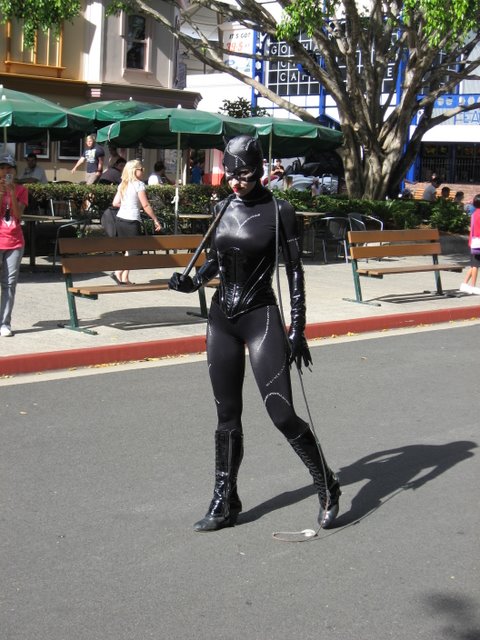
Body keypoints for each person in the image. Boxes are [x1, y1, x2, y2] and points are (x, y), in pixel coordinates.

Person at [169, 135, 341, 532]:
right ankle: (224, 500)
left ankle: (327, 484)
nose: (236, 182)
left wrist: (297, 328)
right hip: (221, 320)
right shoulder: (221, 207)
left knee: (281, 413)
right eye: (230, 175)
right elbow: (215, 262)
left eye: (244, 174)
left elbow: (294, 272)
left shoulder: (280, 210)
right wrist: (193, 282)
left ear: (260, 170)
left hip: (261, 317)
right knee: (226, 415)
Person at [111, 159, 162, 285]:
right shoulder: (139, 184)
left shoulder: (123, 184)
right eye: (141, 169)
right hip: (132, 220)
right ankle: (118, 272)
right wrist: (155, 219)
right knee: (134, 251)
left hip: (120, 219)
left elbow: (115, 203)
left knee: (128, 250)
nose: (143, 171)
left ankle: (125, 278)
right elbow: (146, 205)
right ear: (135, 170)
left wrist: (127, 205)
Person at [0, 154, 29, 337]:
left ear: (15, 171)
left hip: (15, 242)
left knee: (9, 284)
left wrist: (11, 193)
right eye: (2, 168)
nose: (6, 171)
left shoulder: (21, 190)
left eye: (9, 168)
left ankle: (4, 323)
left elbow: (18, 216)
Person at [459, 194, 480, 295]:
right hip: (477, 242)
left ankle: (464, 284)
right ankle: (473, 286)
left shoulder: (475, 213)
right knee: (476, 265)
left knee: (473, 265)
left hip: (474, 241)